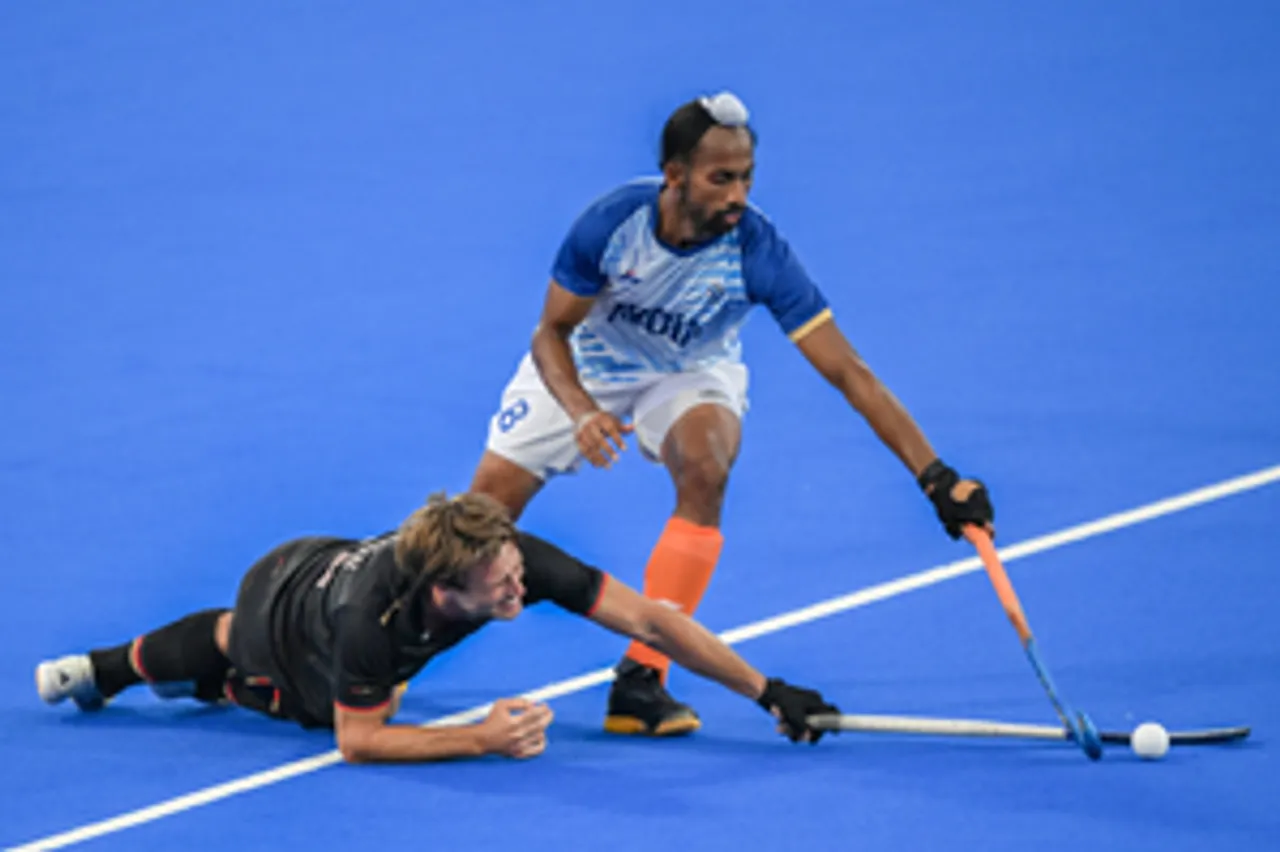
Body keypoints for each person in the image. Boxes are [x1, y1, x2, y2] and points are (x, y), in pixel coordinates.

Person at [469, 90, 996, 737]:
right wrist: (580, 411)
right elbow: (550, 332)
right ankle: (385, 638)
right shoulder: (612, 226)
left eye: (746, 178)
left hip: (689, 371)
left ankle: (643, 677)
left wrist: (934, 475)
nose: (739, 195)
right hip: (590, 363)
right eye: (722, 179)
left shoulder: (757, 252)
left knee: (707, 468)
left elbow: (846, 371)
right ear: (675, 175)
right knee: (481, 517)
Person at [35, 493, 840, 762]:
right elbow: (358, 743)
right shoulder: (371, 625)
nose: (519, 586)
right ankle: (107, 671)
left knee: (250, 654)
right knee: (257, 675)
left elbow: (652, 623)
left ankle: (113, 670)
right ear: (445, 591)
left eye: (516, 571)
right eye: (502, 586)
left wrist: (767, 689)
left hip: (318, 556)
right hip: (286, 624)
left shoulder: (505, 555)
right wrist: (479, 739)